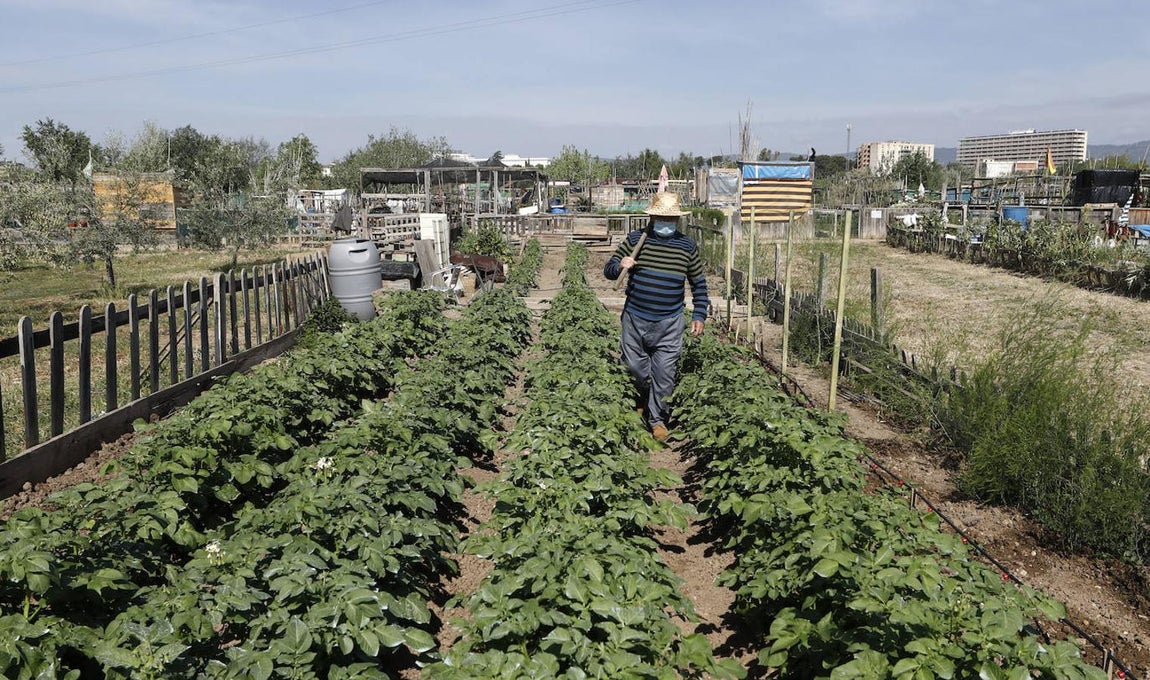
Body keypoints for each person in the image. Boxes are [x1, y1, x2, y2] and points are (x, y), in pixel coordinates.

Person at [603, 192, 709, 442]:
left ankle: (658, 419)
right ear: (651, 217)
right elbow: (609, 270)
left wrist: (699, 313)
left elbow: (698, 283)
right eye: (661, 218)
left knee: (664, 374)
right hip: (635, 318)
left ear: (677, 220)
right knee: (635, 369)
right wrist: (621, 265)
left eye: (670, 219)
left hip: (669, 321)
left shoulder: (686, 246)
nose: (666, 223)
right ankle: (640, 398)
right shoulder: (636, 240)